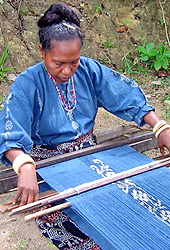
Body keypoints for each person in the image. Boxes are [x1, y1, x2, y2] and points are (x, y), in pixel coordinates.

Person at [0, 2, 170, 249]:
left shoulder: (89, 70)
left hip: (89, 151)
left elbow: (125, 95)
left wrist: (161, 128)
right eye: (58, 63)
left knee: (136, 192)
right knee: (69, 218)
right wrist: (24, 165)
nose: (68, 70)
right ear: (41, 52)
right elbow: (9, 131)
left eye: (74, 62)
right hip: (50, 164)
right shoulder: (28, 84)